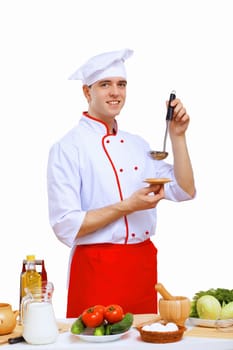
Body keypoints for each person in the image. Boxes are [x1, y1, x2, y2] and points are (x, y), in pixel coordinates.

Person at [47, 48, 195, 318]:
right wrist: (127, 206)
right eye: (105, 84)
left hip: (142, 268)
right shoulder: (68, 148)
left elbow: (185, 189)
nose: (115, 92)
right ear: (86, 92)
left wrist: (178, 137)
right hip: (96, 269)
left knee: (145, 342)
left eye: (121, 84)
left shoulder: (138, 145)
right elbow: (65, 224)